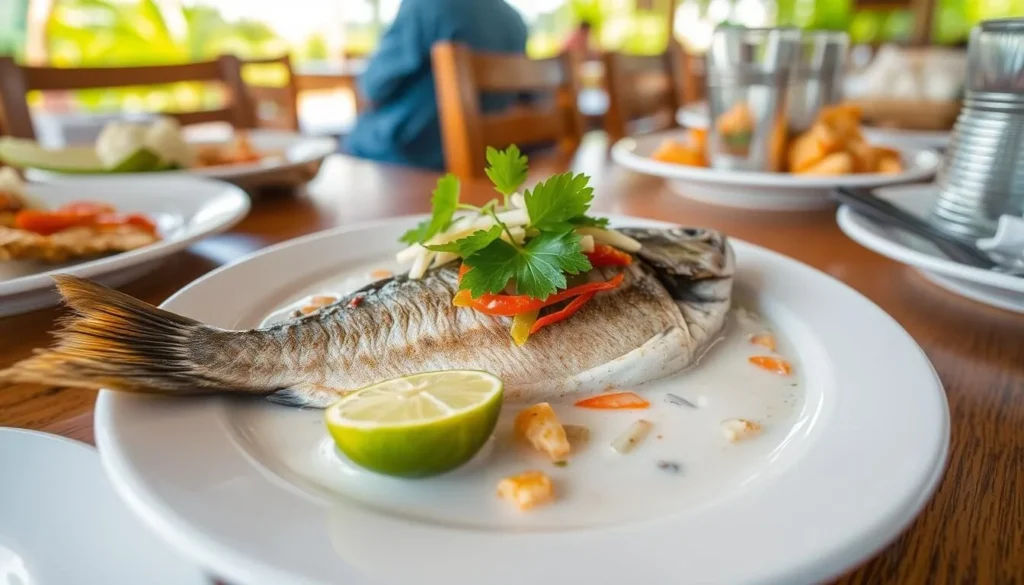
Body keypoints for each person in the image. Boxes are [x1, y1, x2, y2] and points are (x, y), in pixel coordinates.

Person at [344, 0, 529, 171]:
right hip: (491, 158)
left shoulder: (427, 4)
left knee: (344, 146)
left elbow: (373, 87)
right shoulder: (514, 20)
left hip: (412, 157)